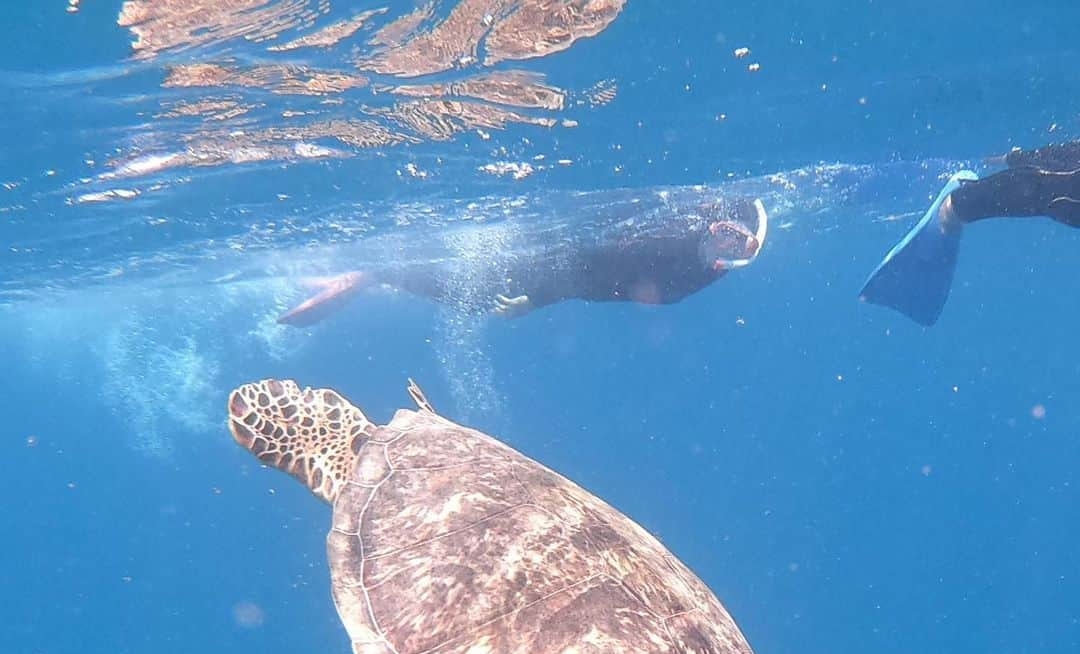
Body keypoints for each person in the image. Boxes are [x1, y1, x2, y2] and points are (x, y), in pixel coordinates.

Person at [279, 195, 768, 326]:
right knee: (472, 290)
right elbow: (590, 266)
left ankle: (372, 274)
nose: (724, 243)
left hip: (558, 278)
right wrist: (536, 300)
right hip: (550, 263)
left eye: (737, 245)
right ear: (711, 219)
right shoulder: (667, 244)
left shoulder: (691, 275)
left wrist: (540, 301)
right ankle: (370, 272)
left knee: (471, 292)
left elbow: (601, 285)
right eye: (725, 232)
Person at [859, 140, 1080, 325]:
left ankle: (986, 169)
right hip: (1054, 186)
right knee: (954, 208)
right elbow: (1045, 181)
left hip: (1057, 183)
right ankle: (947, 217)